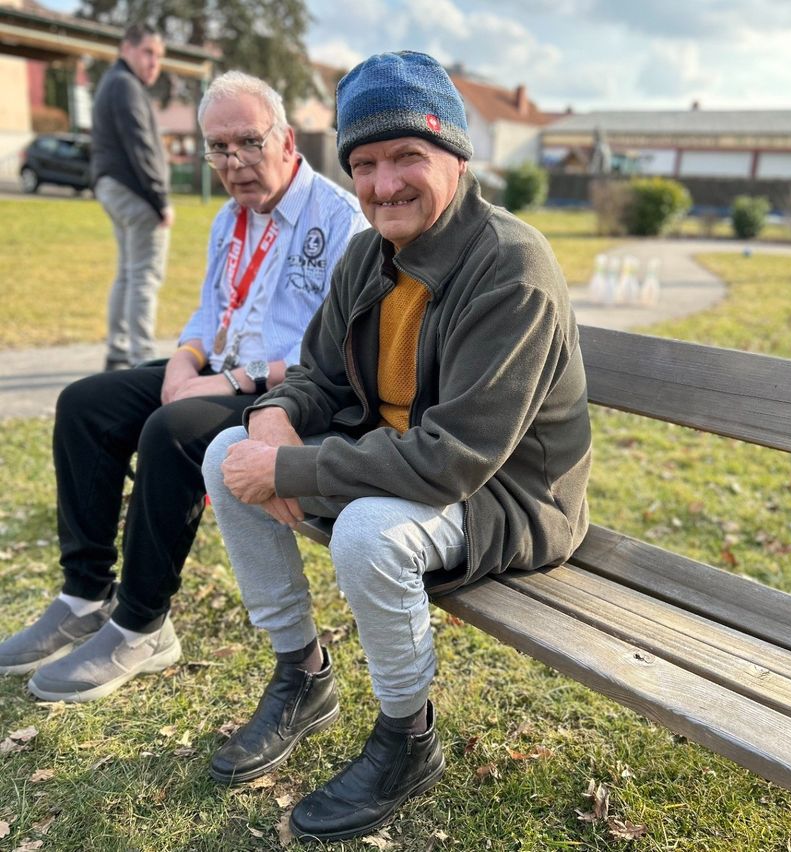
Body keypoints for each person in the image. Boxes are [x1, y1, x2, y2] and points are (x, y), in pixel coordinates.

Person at [202, 51, 592, 842]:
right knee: (223, 456)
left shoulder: (510, 268)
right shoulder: (369, 252)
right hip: (403, 458)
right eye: (366, 163)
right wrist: (271, 420)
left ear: (454, 154)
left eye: (407, 156)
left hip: (507, 498)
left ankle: (408, 738)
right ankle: (303, 673)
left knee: (367, 531)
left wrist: (291, 465)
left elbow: (453, 458)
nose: (384, 185)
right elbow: (316, 375)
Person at [0, 71, 368, 703]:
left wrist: (224, 381)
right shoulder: (230, 217)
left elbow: (330, 353)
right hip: (218, 366)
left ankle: (142, 625)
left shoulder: (339, 221)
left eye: (248, 142)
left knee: (170, 431)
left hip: (286, 389)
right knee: (86, 404)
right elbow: (209, 310)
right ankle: (85, 594)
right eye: (217, 148)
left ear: (285, 139)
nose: (233, 162)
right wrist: (181, 362)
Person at [91, 23, 174, 370]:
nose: (154, 62)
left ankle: (119, 349)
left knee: (128, 272)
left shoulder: (114, 83)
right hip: (135, 192)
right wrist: (161, 199)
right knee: (144, 275)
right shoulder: (125, 86)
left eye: (159, 56)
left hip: (113, 188)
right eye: (148, 52)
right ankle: (140, 357)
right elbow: (140, 145)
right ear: (127, 48)